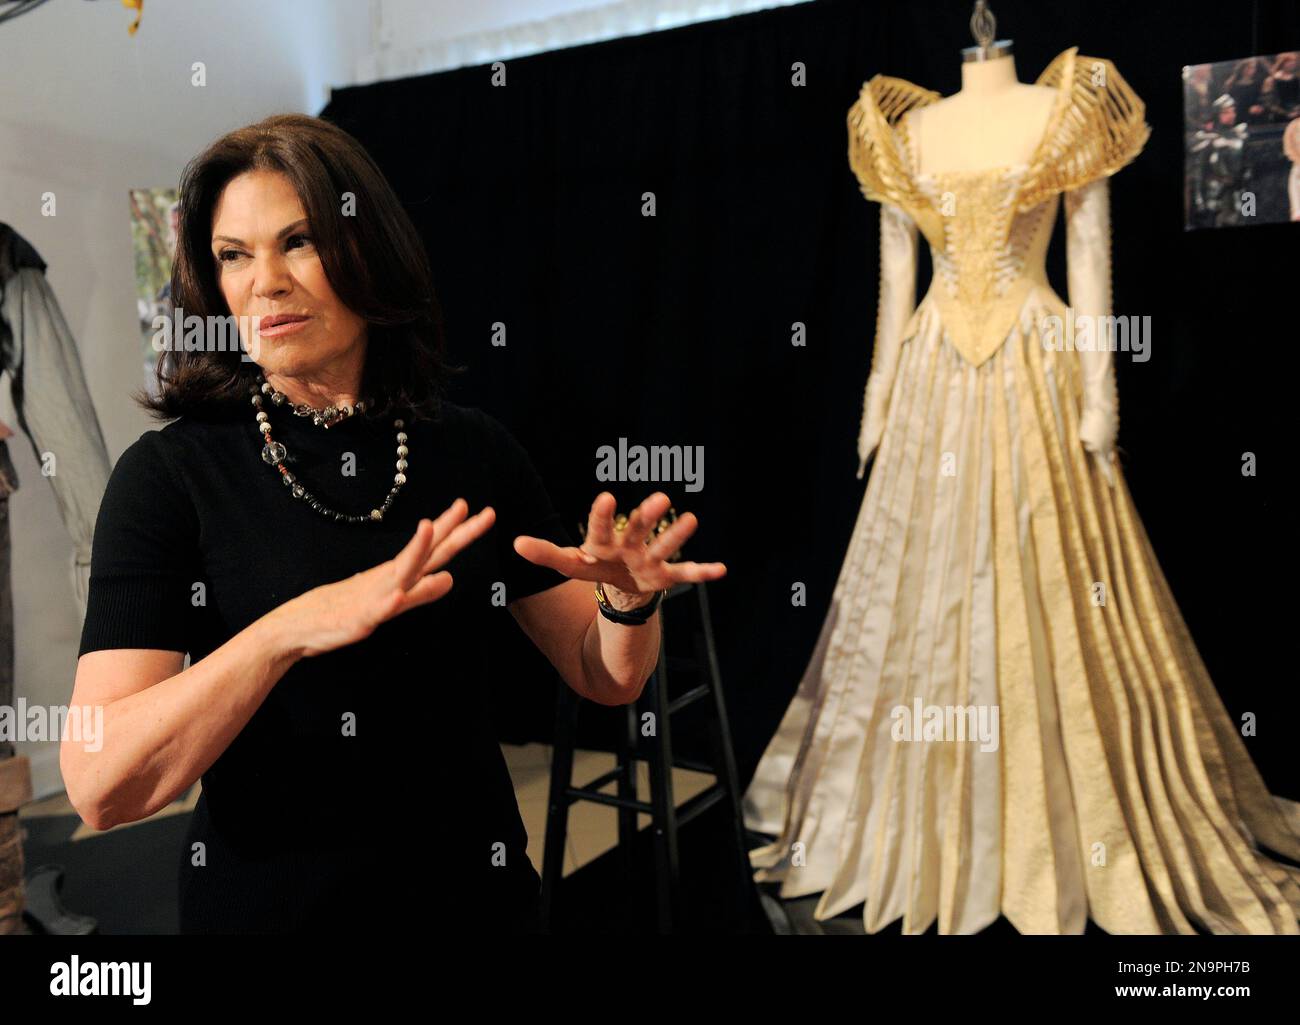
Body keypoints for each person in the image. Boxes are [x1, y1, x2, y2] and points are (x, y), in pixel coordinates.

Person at [61, 113, 726, 935]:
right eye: (234, 255)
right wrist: (287, 631)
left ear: (366, 249)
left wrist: (626, 606)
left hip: (476, 907)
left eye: (298, 241)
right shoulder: (170, 479)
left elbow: (604, 674)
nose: (264, 281)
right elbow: (99, 781)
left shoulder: (472, 450)